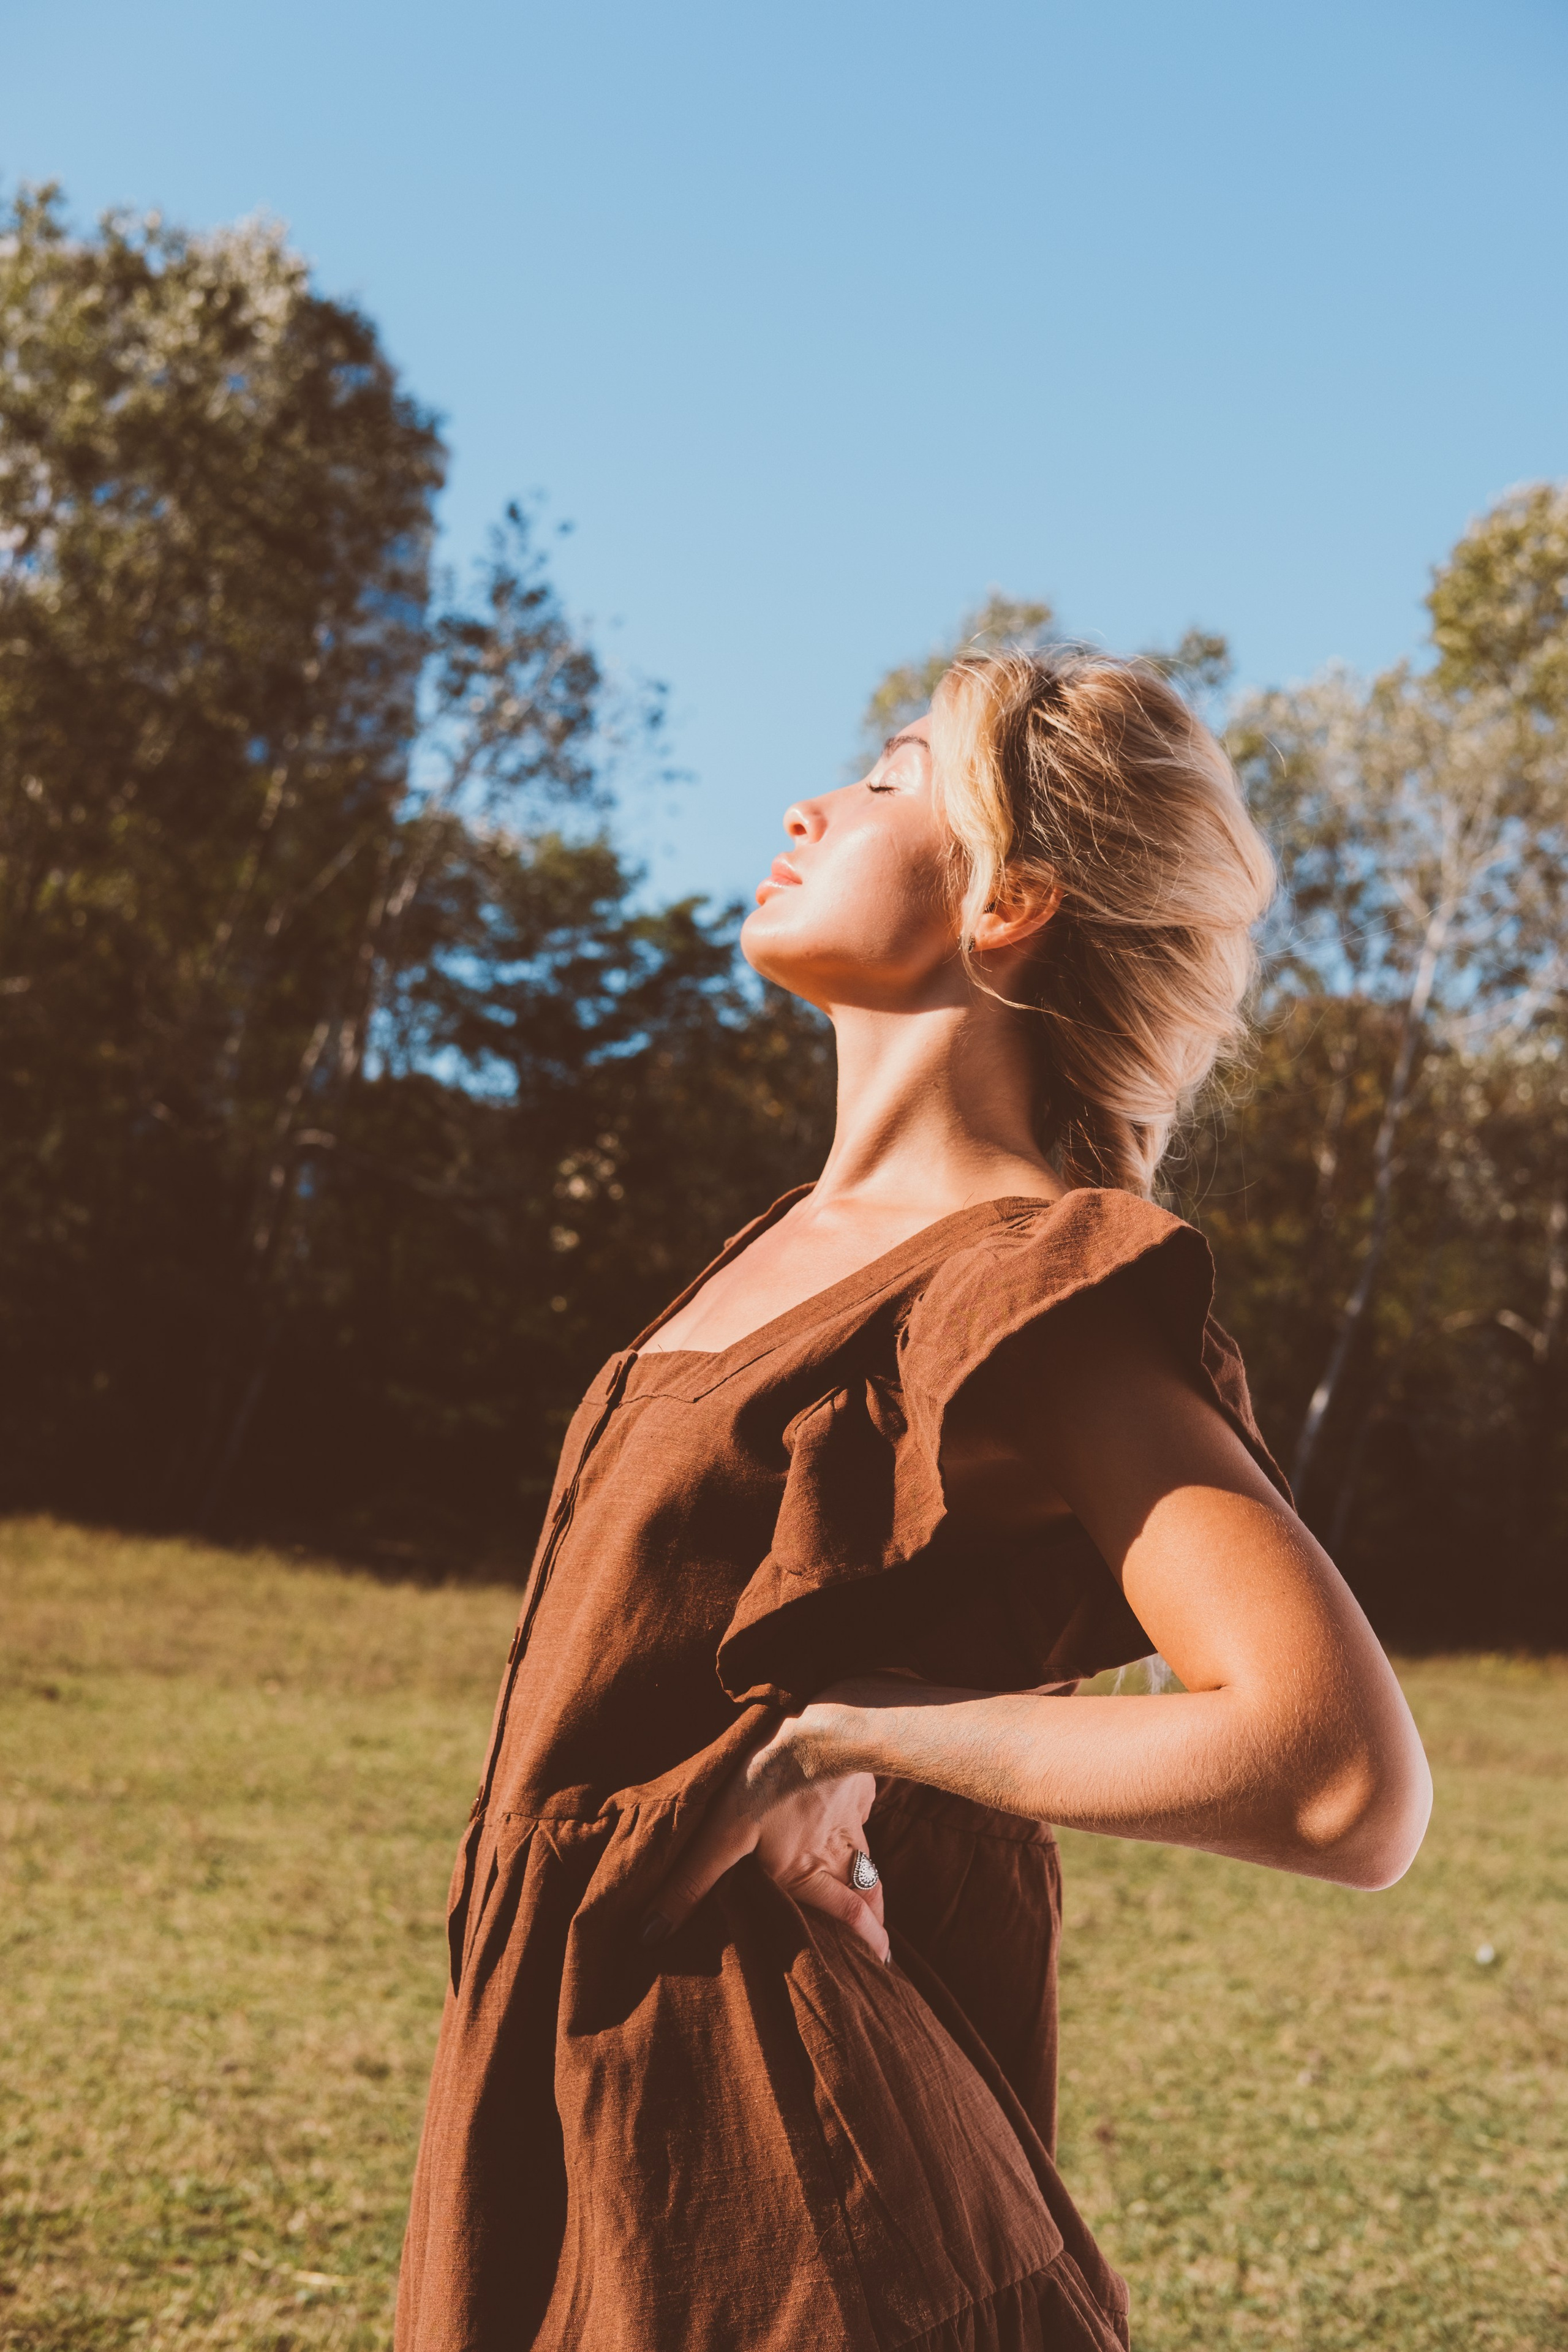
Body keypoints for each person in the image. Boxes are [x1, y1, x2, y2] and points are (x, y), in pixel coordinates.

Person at [395, 647, 1432, 2352]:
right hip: (578, 2085)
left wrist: (840, 1734)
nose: (809, 806)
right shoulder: (779, 1251)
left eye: (886, 783)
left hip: (789, 2196)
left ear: (1012, 896)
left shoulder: (1035, 1283)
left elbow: (1337, 1776)